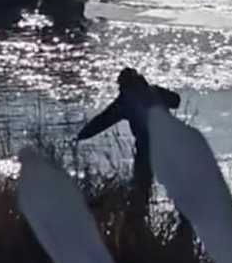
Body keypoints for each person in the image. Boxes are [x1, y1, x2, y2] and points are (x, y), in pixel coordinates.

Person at [77, 68, 180, 209]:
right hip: (170, 144)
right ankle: (183, 222)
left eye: (121, 87)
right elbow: (176, 101)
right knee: (176, 187)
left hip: (147, 148)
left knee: (141, 189)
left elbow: (101, 122)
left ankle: (140, 218)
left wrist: (81, 136)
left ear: (125, 86)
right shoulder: (154, 92)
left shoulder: (125, 102)